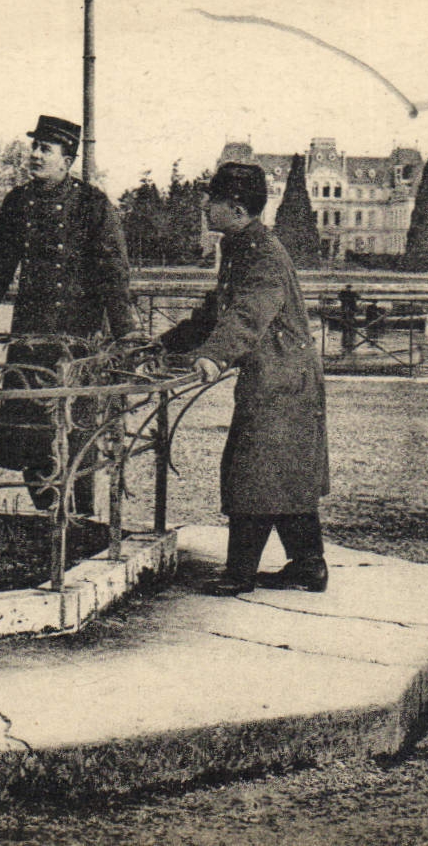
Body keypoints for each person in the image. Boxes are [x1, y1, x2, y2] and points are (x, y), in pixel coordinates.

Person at [159, 163, 330, 596]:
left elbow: (249, 313)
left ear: (235, 208)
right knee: (285, 475)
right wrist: (166, 344)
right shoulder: (242, 246)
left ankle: (239, 575)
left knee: (252, 473)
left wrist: (214, 357)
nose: (204, 206)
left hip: (282, 382)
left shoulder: (262, 254)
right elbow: (217, 310)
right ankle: (309, 567)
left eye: (211, 200)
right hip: (278, 377)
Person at [0, 114, 135, 515]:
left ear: (67, 159)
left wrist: (126, 337)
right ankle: (49, 516)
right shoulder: (18, 202)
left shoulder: (93, 204)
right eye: (34, 147)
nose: (35, 155)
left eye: (45, 149)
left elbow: (114, 276)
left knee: (80, 437)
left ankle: (83, 518)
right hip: (31, 338)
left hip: (80, 343)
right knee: (30, 439)